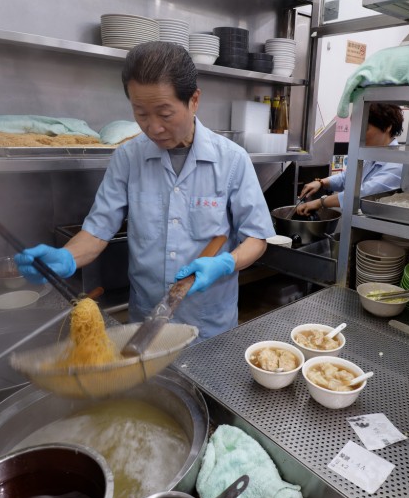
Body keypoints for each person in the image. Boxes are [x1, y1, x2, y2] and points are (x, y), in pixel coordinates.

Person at [15, 41, 274, 341]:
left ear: (194, 100)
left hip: (209, 326)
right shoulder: (127, 158)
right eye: (141, 113)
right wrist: (66, 257)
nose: (153, 128)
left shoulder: (231, 159)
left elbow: (256, 237)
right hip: (145, 321)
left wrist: (226, 263)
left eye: (164, 114)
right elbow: (98, 231)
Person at [293, 102, 404, 216]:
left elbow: (363, 193)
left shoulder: (397, 165)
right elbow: (348, 177)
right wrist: (321, 183)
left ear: (387, 127)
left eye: (364, 129)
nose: (357, 135)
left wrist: (321, 202)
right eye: (356, 128)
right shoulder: (372, 152)